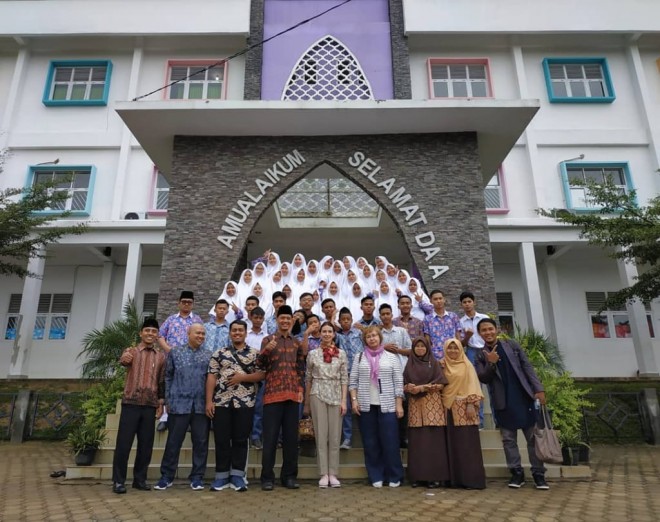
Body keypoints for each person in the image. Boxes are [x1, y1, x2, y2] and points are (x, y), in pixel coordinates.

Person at [474, 318, 549, 490]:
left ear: (496, 329)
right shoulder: (480, 354)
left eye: (490, 329)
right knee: (509, 440)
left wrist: (538, 389)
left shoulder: (512, 345)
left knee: (533, 438)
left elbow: (527, 367)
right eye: (484, 330)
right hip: (503, 401)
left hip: (523, 397)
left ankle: (538, 474)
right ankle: (516, 472)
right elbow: (483, 378)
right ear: (480, 333)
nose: (488, 332)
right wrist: (491, 362)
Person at [206, 320, 264, 492]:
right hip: (221, 401)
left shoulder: (255, 354)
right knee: (222, 439)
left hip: (245, 402)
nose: (237, 333)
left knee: (240, 439)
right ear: (230, 333)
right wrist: (209, 401)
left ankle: (238, 475)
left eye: (240, 330)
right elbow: (211, 376)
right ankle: (221, 476)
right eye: (234, 330)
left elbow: (261, 375)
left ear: (246, 333)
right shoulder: (219, 353)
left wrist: (242, 378)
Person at [154, 324, 212, 491]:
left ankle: (197, 477)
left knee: (201, 442)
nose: (201, 336)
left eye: (203, 333)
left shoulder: (208, 355)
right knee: (173, 442)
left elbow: (211, 379)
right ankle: (166, 476)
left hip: (200, 406)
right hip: (179, 405)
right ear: (188, 333)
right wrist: (168, 400)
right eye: (197, 333)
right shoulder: (175, 353)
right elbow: (168, 376)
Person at [111, 318, 166, 494]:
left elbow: (161, 380)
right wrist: (124, 357)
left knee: (146, 445)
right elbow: (124, 361)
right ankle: (119, 481)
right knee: (124, 444)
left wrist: (161, 402)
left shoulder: (161, 357)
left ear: (157, 335)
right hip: (131, 403)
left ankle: (139, 479)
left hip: (150, 405)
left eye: (153, 331)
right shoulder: (132, 351)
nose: (150, 334)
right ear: (141, 333)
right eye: (147, 330)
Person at [257, 305, 306, 491]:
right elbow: (260, 365)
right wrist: (266, 350)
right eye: (282, 318)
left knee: (291, 439)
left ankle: (289, 477)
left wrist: (301, 389)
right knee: (269, 438)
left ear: (293, 321)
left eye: (288, 318)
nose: (285, 321)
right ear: (277, 319)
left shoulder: (296, 343)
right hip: (272, 396)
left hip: (293, 396)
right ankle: (267, 478)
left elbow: (301, 369)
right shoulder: (267, 340)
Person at [349, 326, 404, 488]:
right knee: (371, 442)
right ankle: (375, 474)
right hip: (366, 406)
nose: (372, 339)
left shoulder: (392, 357)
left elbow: (398, 382)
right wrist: (354, 400)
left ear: (380, 338)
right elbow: (353, 381)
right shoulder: (359, 357)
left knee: (390, 442)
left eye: (374, 336)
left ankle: (394, 475)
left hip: (388, 405)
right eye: (368, 336)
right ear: (364, 340)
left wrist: (398, 404)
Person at [303, 322, 349, 488]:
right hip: (318, 393)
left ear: (334, 334)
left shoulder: (341, 354)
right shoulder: (313, 354)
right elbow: (308, 378)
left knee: (335, 436)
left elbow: (345, 378)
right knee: (321, 435)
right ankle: (323, 473)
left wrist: (344, 400)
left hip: (336, 393)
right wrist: (306, 402)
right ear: (320, 333)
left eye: (330, 331)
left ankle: (333, 473)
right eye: (324, 331)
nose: (327, 334)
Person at [403, 337, 449, 489]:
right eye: (417, 346)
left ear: (428, 348)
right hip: (415, 407)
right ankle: (417, 476)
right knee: (417, 443)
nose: (420, 349)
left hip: (432, 406)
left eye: (423, 346)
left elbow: (441, 384)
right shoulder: (409, 365)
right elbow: (403, 385)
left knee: (434, 443)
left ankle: (434, 477)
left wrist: (422, 388)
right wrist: (408, 387)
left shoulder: (434, 363)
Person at [442, 338, 486, 490]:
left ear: (461, 349)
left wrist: (471, 404)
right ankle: (454, 480)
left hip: (465, 408)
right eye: (449, 348)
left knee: (467, 445)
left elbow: (473, 385)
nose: (452, 351)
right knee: (452, 444)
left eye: (455, 348)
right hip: (447, 408)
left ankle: (471, 479)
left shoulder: (467, 366)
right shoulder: (442, 364)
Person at [157, 290, 204, 430]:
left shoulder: (197, 320)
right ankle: (165, 417)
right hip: (172, 358)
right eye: (184, 302)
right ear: (179, 303)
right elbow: (160, 335)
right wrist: (168, 350)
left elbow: (201, 338)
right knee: (169, 385)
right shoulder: (171, 319)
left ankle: (189, 418)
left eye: (189, 302)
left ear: (193, 304)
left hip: (191, 360)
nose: (186, 305)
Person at [379, 303, 412, 448]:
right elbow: (370, 350)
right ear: (380, 317)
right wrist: (384, 348)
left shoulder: (401, 331)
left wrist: (397, 350)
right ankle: (389, 437)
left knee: (404, 403)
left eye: (388, 313)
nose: (386, 316)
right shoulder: (378, 333)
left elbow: (411, 350)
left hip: (402, 370)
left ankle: (403, 436)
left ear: (392, 315)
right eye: (383, 314)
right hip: (384, 372)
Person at [458, 291, 489, 428]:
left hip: (486, 350)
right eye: (464, 302)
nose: (467, 304)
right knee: (476, 385)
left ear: (474, 302)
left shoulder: (484, 318)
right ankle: (479, 421)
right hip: (471, 352)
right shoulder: (460, 322)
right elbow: (461, 344)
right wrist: (467, 336)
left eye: (469, 301)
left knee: (493, 383)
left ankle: (499, 422)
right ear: (461, 305)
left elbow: (491, 334)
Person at [335, 307, 363, 450]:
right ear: (339, 321)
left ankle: (366, 436)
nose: (346, 322)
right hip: (344, 375)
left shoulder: (358, 333)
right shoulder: (337, 336)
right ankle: (347, 438)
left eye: (348, 319)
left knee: (362, 404)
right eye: (343, 320)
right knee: (345, 406)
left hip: (360, 373)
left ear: (352, 320)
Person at [248, 307, 269, 450]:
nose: (258, 320)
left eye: (260, 318)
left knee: (259, 407)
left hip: (263, 374)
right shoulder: (245, 335)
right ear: (250, 317)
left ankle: (256, 436)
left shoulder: (267, 337)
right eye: (255, 317)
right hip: (246, 374)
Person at [423, 290, 464, 360]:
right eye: (435, 299)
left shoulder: (453, 316)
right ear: (431, 301)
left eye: (440, 298)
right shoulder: (427, 319)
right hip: (436, 356)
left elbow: (458, 336)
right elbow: (427, 339)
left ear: (444, 299)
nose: (438, 301)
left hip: (453, 355)